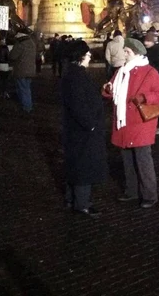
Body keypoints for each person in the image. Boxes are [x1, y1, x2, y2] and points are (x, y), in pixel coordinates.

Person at [103, 38, 159, 209]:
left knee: (142, 159)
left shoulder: (149, 72)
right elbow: (111, 90)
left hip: (140, 122)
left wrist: (145, 97)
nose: (124, 54)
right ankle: (131, 191)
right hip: (123, 121)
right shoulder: (121, 71)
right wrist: (108, 89)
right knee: (127, 159)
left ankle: (149, 195)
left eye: (127, 51)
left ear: (136, 53)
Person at [61, 41, 107, 218]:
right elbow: (78, 104)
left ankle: (71, 198)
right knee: (84, 166)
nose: (89, 57)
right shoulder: (77, 76)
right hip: (83, 131)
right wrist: (91, 124)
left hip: (77, 129)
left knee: (76, 164)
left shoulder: (73, 74)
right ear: (80, 56)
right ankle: (82, 203)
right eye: (87, 54)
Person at [9, 29, 37, 113]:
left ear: (20, 34)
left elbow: (13, 56)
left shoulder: (20, 43)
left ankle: (26, 107)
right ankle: (28, 105)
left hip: (21, 70)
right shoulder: (31, 42)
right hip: (30, 69)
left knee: (22, 89)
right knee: (27, 88)